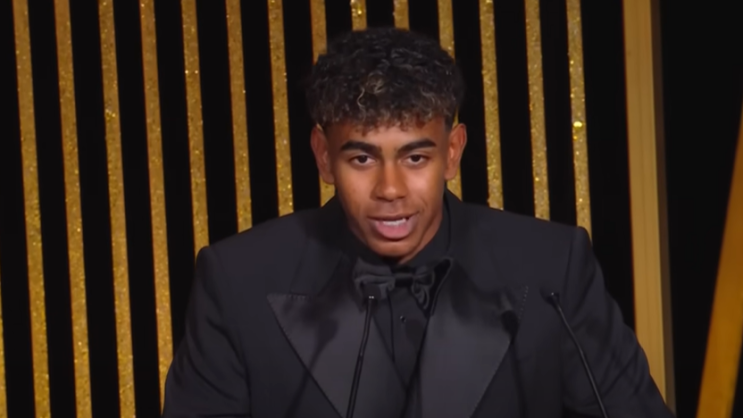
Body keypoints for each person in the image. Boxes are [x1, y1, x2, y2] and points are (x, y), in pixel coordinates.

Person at [162, 28, 674, 418]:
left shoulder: (551, 269)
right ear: (322, 156)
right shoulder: (238, 282)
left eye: (415, 158)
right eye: (362, 159)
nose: (390, 189)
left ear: (452, 153)